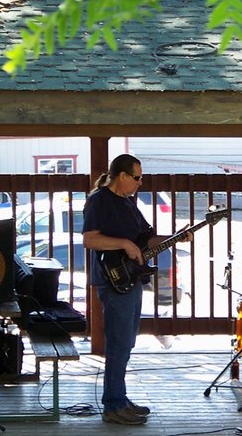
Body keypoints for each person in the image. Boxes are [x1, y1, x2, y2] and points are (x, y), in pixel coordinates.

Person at [82, 154, 190, 425]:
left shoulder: (129, 203)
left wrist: (175, 237)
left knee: (126, 341)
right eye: (137, 177)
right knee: (118, 342)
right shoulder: (99, 200)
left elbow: (144, 239)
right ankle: (113, 405)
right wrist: (124, 245)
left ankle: (120, 398)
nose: (141, 183)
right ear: (122, 176)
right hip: (113, 279)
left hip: (132, 277)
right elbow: (90, 239)